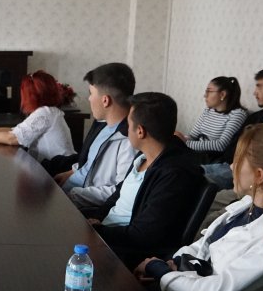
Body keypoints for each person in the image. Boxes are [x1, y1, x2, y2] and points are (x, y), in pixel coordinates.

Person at [134, 124, 263, 291]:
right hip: (180, 288)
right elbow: (202, 245)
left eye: (237, 160)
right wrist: (170, 264)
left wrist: (159, 270)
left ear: (258, 175)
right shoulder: (247, 204)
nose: (231, 166)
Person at [86, 92, 205, 268]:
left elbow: (144, 235)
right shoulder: (142, 157)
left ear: (140, 131)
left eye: (128, 124)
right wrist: (95, 218)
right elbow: (118, 195)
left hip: (122, 253)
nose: (126, 129)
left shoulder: (174, 174)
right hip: (106, 237)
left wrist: (95, 231)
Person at [52, 63, 137, 212]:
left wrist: (73, 196)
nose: (89, 99)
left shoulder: (128, 141)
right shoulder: (102, 125)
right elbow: (90, 162)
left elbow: (121, 191)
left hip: (80, 204)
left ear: (105, 100)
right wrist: (70, 173)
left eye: (91, 93)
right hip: (69, 192)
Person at [204, 66, 263, 189]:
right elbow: (235, 143)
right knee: (187, 171)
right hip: (227, 165)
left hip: (249, 174)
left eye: (259, 86)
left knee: (194, 179)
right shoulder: (256, 117)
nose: (255, 92)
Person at [0, 71, 76, 162]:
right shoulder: (49, 111)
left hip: (59, 170)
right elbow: (15, 131)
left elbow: (12, 138)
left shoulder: (45, 113)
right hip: (58, 166)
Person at [177, 76, 248, 159]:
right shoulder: (208, 110)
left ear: (222, 94)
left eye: (209, 91)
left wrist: (186, 143)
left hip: (212, 158)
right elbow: (193, 135)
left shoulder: (238, 114)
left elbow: (221, 145)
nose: (205, 95)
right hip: (196, 153)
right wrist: (180, 138)